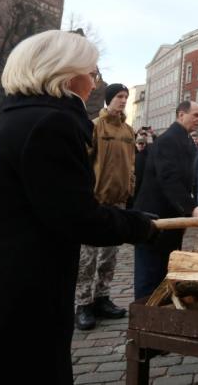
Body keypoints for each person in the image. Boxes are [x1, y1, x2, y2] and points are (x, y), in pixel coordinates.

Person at [0, 30, 157, 385]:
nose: (95, 83)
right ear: (65, 74)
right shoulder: (51, 123)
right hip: (19, 291)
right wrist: (140, 226)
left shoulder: (16, 117)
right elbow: (75, 215)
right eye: (92, 73)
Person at [74, 83, 136, 331]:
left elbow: (131, 164)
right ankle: (83, 303)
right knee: (87, 257)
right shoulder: (94, 127)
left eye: (125, 97)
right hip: (96, 199)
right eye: (119, 96)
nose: (122, 100)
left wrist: (130, 189)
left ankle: (102, 297)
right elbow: (83, 161)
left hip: (118, 201)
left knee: (110, 255)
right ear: (109, 99)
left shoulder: (128, 130)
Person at [133, 100, 198, 299]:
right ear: (181, 115)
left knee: (165, 270)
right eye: (196, 115)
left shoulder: (185, 140)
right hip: (155, 217)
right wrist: (191, 208)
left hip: (171, 218)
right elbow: (168, 178)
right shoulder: (168, 140)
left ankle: (158, 313)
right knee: (149, 273)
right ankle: (143, 317)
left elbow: (186, 179)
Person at [131, 136, 149, 206]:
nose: (141, 145)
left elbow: (138, 176)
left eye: (142, 143)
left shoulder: (137, 157)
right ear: (136, 144)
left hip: (139, 188)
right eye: (140, 143)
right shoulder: (149, 155)